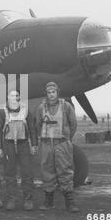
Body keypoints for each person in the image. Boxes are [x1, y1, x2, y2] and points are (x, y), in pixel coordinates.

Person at [35, 82, 79, 212]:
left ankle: (70, 202)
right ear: (46, 94)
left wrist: (66, 139)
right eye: (49, 92)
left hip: (62, 143)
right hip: (46, 143)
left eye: (53, 92)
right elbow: (38, 125)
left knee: (65, 171)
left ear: (57, 92)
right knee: (47, 172)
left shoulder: (66, 106)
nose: (51, 95)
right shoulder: (40, 108)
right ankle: (48, 202)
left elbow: (73, 124)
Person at [0, 90, 37, 211]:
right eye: (12, 96)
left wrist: (34, 144)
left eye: (17, 96)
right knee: (9, 173)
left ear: (19, 98)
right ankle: (11, 199)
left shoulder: (25, 110)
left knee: (27, 172)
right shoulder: (2, 112)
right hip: (8, 145)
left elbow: (32, 128)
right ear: (8, 97)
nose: (14, 98)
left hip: (23, 144)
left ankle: (28, 199)